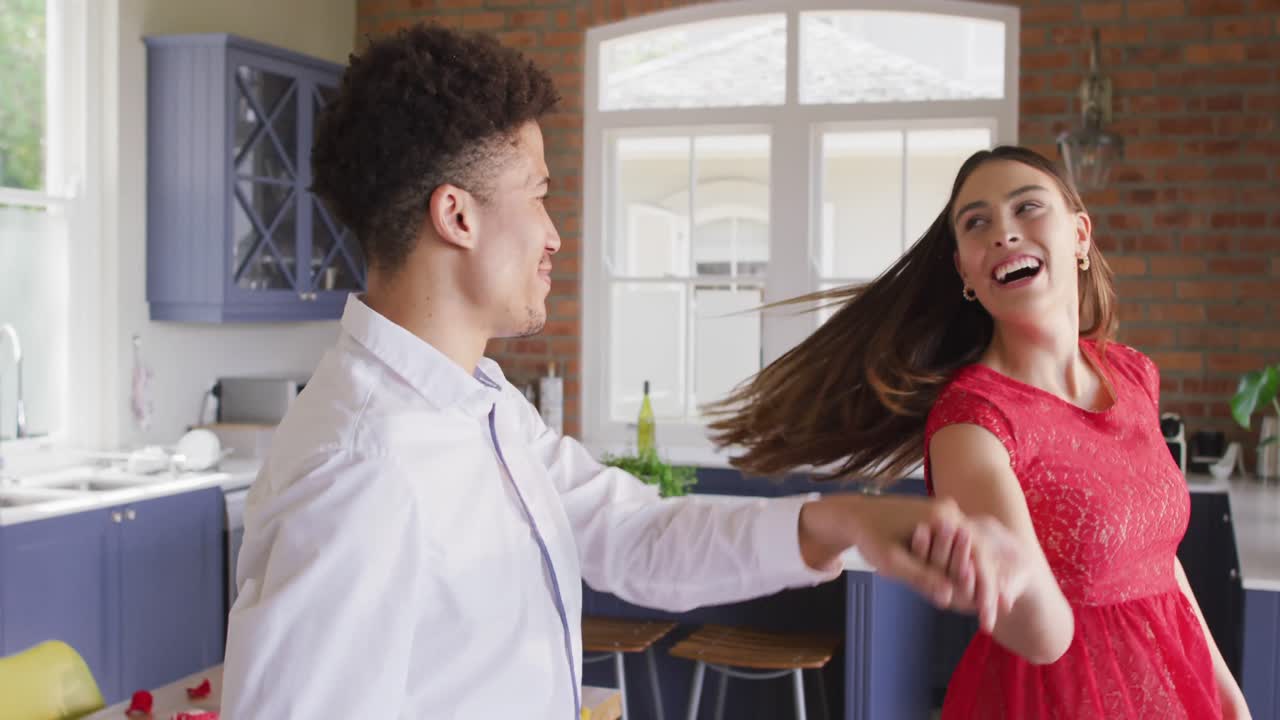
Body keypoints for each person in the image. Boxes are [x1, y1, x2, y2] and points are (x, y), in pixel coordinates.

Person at [219, 25, 1032, 719]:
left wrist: (842, 523)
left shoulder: (479, 406)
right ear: (456, 215)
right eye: (538, 196)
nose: (554, 236)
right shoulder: (363, 470)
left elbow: (635, 536)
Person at [707, 145, 1250, 718]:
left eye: (1027, 208)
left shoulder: (1133, 375)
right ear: (966, 269)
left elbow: (1160, 563)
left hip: (1175, 691)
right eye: (977, 222)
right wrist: (1000, 566)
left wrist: (1229, 700)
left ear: (1081, 235)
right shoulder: (973, 422)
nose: (1003, 233)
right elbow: (1042, 634)